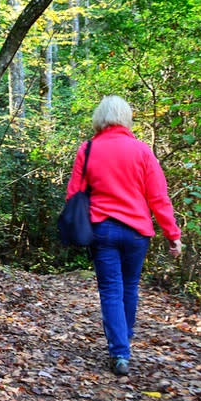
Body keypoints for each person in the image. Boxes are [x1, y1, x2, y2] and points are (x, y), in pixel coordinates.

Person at [66, 95, 182, 376]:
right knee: (129, 287)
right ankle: (123, 340)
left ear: (99, 118)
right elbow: (158, 197)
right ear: (127, 117)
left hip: (102, 229)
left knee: (111, 291)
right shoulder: (142, 151)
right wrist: (172, 234)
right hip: (137, 232)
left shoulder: (89, 148)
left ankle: (120, 352)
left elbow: (74, 193)